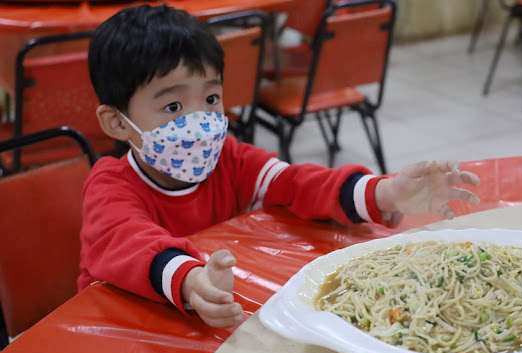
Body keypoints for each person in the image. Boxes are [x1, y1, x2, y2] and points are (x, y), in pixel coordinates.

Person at [80, 4, 481, 329]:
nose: (200, 121)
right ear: (117, 122)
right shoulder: (111, 185)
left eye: (211, 99)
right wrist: (190, 280)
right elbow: (128, 241)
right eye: (173, 107)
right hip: (128, 332)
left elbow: (296, 183)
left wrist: (385, 192)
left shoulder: (230, 160)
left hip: (211, 328)